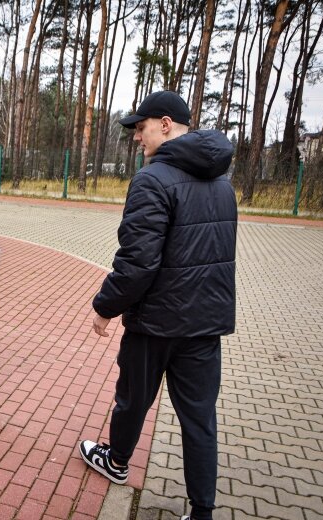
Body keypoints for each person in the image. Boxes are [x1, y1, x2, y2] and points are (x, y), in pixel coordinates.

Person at [78, 91, 237, 520]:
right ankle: (202, 511)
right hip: (205, 324)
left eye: (141, 128)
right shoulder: (223, 182)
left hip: (156, 323)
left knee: (133, 399)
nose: (136, 138)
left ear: (165, 124)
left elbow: (138, 262)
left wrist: (105, 306)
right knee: (199, 418)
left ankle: (116, 461)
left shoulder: (152, 179)